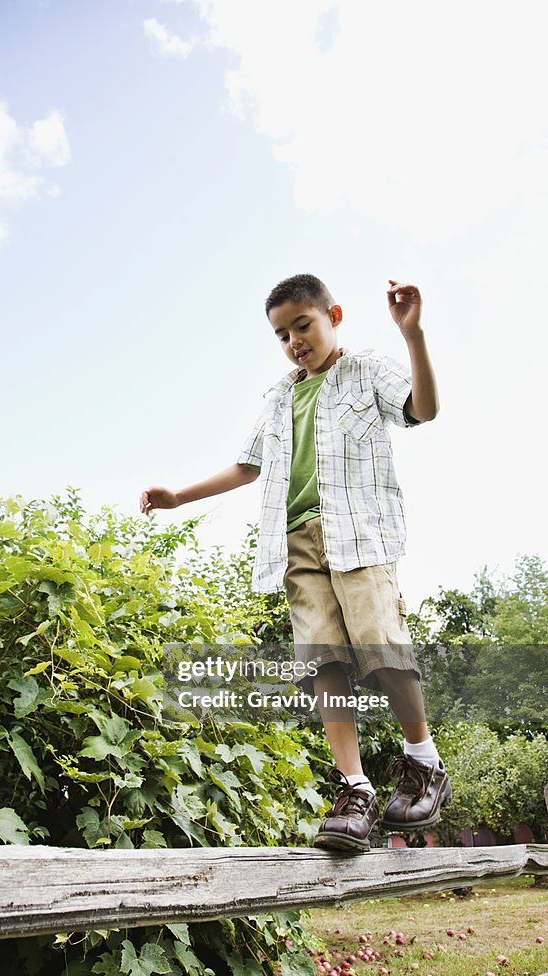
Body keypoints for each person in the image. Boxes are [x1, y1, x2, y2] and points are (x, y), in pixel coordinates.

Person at [140, 273, 451, 853]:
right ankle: (354, 787)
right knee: (322, 660)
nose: (294, 342)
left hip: (358, 534)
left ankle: (423, 761)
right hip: (296, 543)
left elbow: (423, 410)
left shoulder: (366, 369)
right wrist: (179, 496)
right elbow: (247, 466)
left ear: (333, 314)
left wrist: (414, 335)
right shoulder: (280, 397)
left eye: (302, 325)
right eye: (282, 335)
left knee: (379, 642)